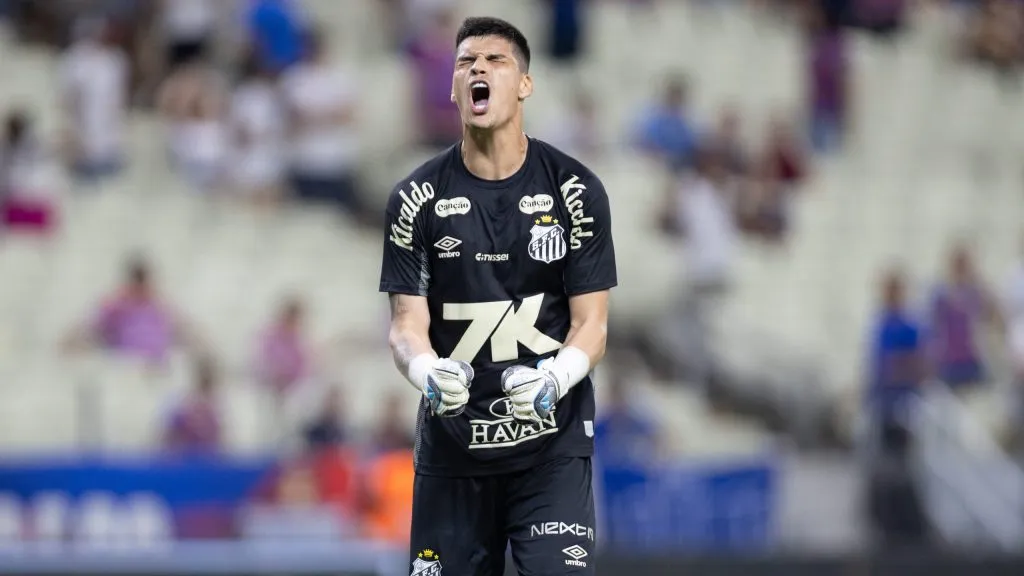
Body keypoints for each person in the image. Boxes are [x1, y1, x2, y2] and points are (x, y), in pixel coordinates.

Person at [378, 17, 616, 575]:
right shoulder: (414, 198)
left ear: (525, 84)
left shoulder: (574, 190)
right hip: (454, 453)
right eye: (465, 62)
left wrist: (555, 378)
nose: (478, 68)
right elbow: (405, 325)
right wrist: (425, 372)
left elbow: (593, 325)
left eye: (495, 60)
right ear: (453, 89)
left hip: (549, 449)